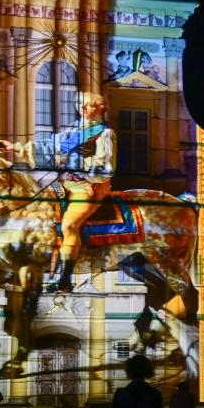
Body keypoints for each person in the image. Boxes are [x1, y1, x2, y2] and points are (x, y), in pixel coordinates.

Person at [50, 92, 116, 293]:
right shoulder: (73, 129)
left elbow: (106, 169)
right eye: (81, 105)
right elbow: (53, 149)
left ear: (101, 109)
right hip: (64, 183)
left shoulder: (105, 133)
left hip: (87, 187)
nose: (84, 109)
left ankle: (65, 279)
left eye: (89, 106)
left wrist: (79, 162)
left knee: (69, 226)